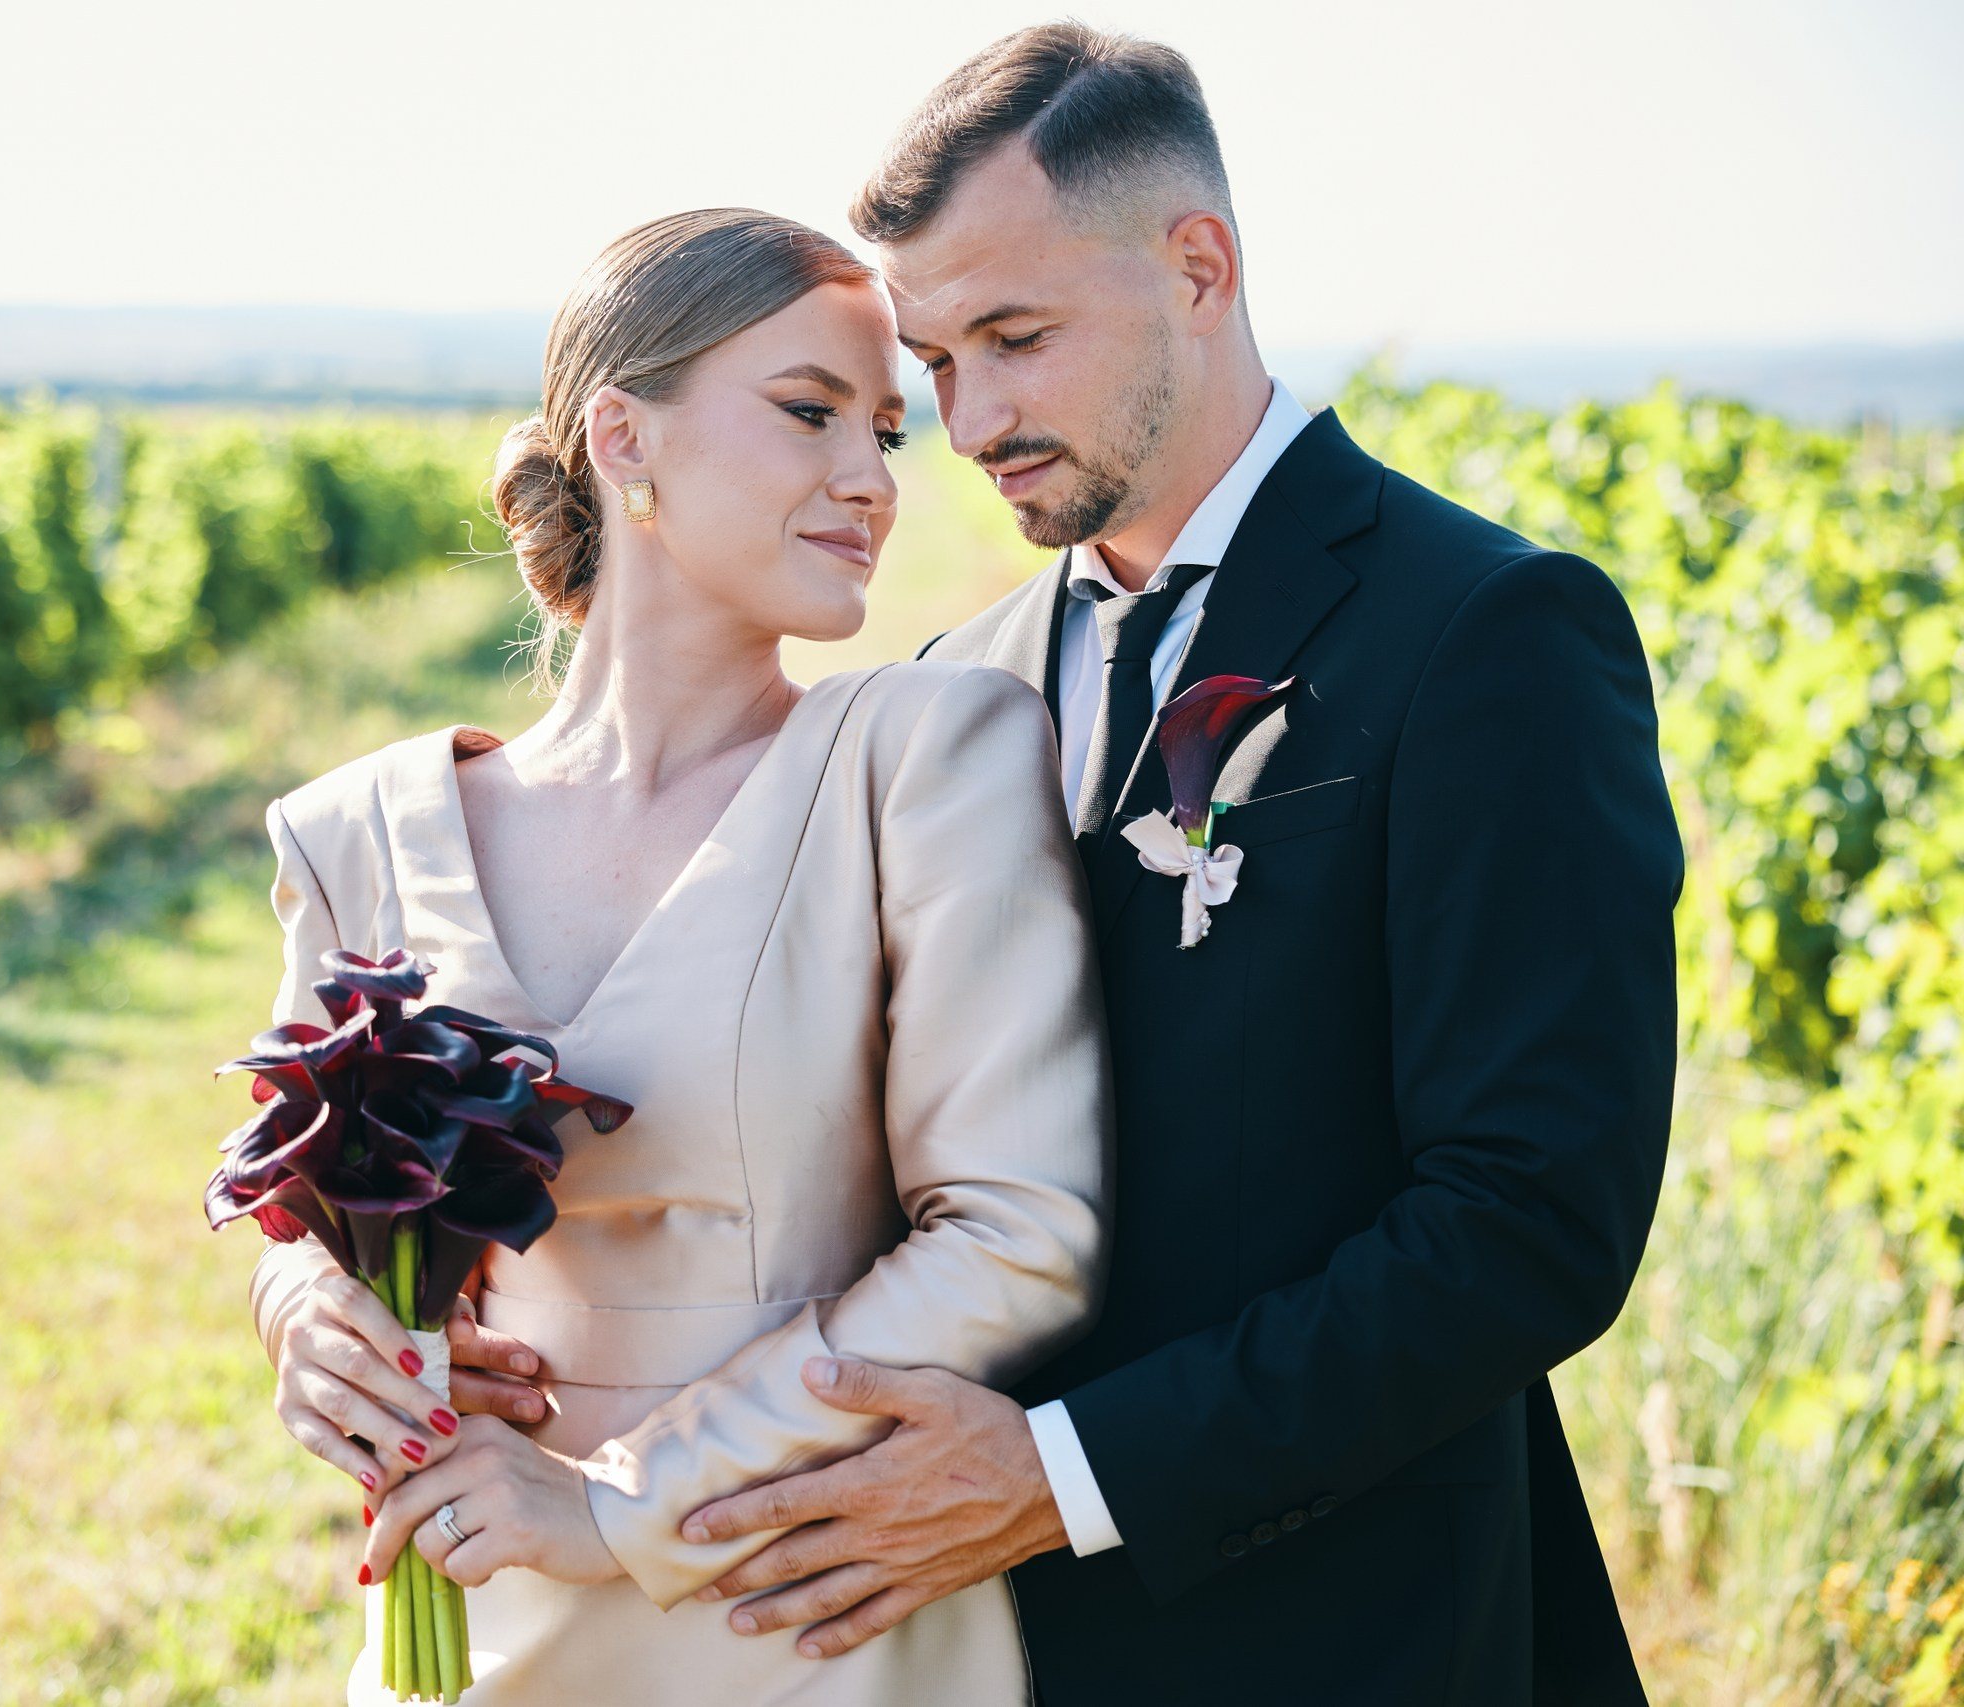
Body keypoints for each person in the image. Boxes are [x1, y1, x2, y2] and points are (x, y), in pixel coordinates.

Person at [659, 27, 1686, 1706]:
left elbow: (1528, 1220)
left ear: (1196, 267)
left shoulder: (1484, 632)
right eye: (935, 362)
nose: (971, 420)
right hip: (975, 1650)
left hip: (1354, 1631)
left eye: (1016, 337)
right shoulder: (951, 681)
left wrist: (1062, 1476)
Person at [242, 207, 1108, 1704]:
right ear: (623, 437)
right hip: (475, 1606)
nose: (871, 481)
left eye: (887, 435)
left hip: (806, 1612)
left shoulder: (923, 760)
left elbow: (1016, 1237)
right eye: (809, 413)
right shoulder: (361, 830)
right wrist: (313, 1321)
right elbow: (301, 1208)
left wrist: (620, 1503)